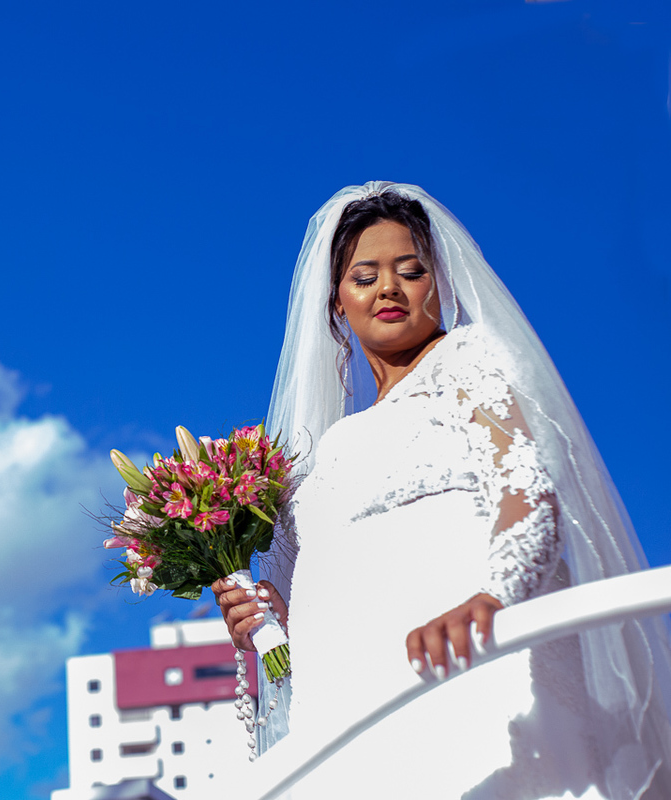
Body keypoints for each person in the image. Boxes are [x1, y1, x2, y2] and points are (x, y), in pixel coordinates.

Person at [212, 182, 671, 799]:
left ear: (441, 283)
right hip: (349, 717)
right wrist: (263, 619)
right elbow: (300, 614)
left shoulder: (468, 362)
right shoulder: (316, 461)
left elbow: (526, 493)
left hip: (470, 673)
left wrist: (495, 597)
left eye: (411, 270)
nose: (388, 289)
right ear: (335, 301)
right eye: (364, 276)